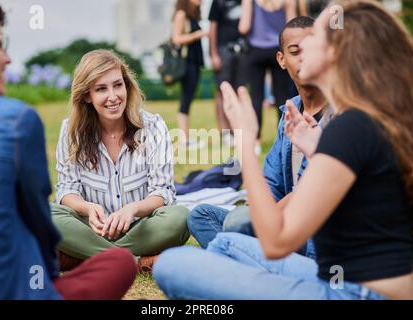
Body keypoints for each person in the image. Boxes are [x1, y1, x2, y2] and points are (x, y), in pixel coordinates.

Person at [154, 0, 413, 300]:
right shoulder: (369, 118)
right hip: (346, 278)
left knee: (173, 265)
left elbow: (277, 242)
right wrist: (317, 152)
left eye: (315, 36)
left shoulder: (349, 126)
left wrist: (245, 143)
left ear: (335, 54)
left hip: (355, 293)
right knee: (226, 244)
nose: (304, 44)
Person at [0, 0, 136, 300]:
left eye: (117, 85)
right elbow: (41, 226)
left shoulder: (151, 127)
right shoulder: (16, 121)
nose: (6, 58)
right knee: (119, 263)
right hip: (10, 288)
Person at [188, 16, 331, 257]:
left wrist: (265, 218)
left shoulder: (340, 114)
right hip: (280, 226)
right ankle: (257, 262)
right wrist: (262, 215)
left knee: (238, 223)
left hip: (317, 232)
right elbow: (271, 181)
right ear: (282, 60)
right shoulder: (290, 110)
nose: (304, 57)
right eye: (295, 51)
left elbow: (311, 193)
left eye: (312, 49)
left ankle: (246, 261)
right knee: (201, 215)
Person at [51, 49, 190, 272]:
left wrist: (132, 210)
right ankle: (133, 262)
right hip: (92, 228)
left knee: (180, 218)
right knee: (46, 215)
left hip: (142, 227)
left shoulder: (153, 127)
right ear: (87, 95)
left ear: (127, 86)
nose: (113, 96)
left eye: (118, 85)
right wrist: (87, 208)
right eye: (101, 89)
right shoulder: (71, 131)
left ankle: (88, 254)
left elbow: (163, 192)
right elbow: (66, 190)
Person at [239, 0, 297, 153]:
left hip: (255, 51)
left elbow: (243, 27)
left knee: (256, 98)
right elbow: (292, 28)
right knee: (282, 97)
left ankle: (256, 141)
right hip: (278, 51)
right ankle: (285, 139)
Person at [208, 0, 248, 144]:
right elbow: (212, 27)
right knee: (221, 91)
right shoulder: (218, 2)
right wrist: (213, 54)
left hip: (243, 49)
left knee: (240, 90)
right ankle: (225, 132)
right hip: (223, 49)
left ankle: (237, 130)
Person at [172, 0, 209, 149]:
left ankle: (185, 138)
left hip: (194, 63)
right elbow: (176, 38)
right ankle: (184, 140)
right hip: (186, 64)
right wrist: (198, 34)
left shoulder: (193, 15)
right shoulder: (182, 14)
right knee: (185, 99)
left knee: (188, 99)